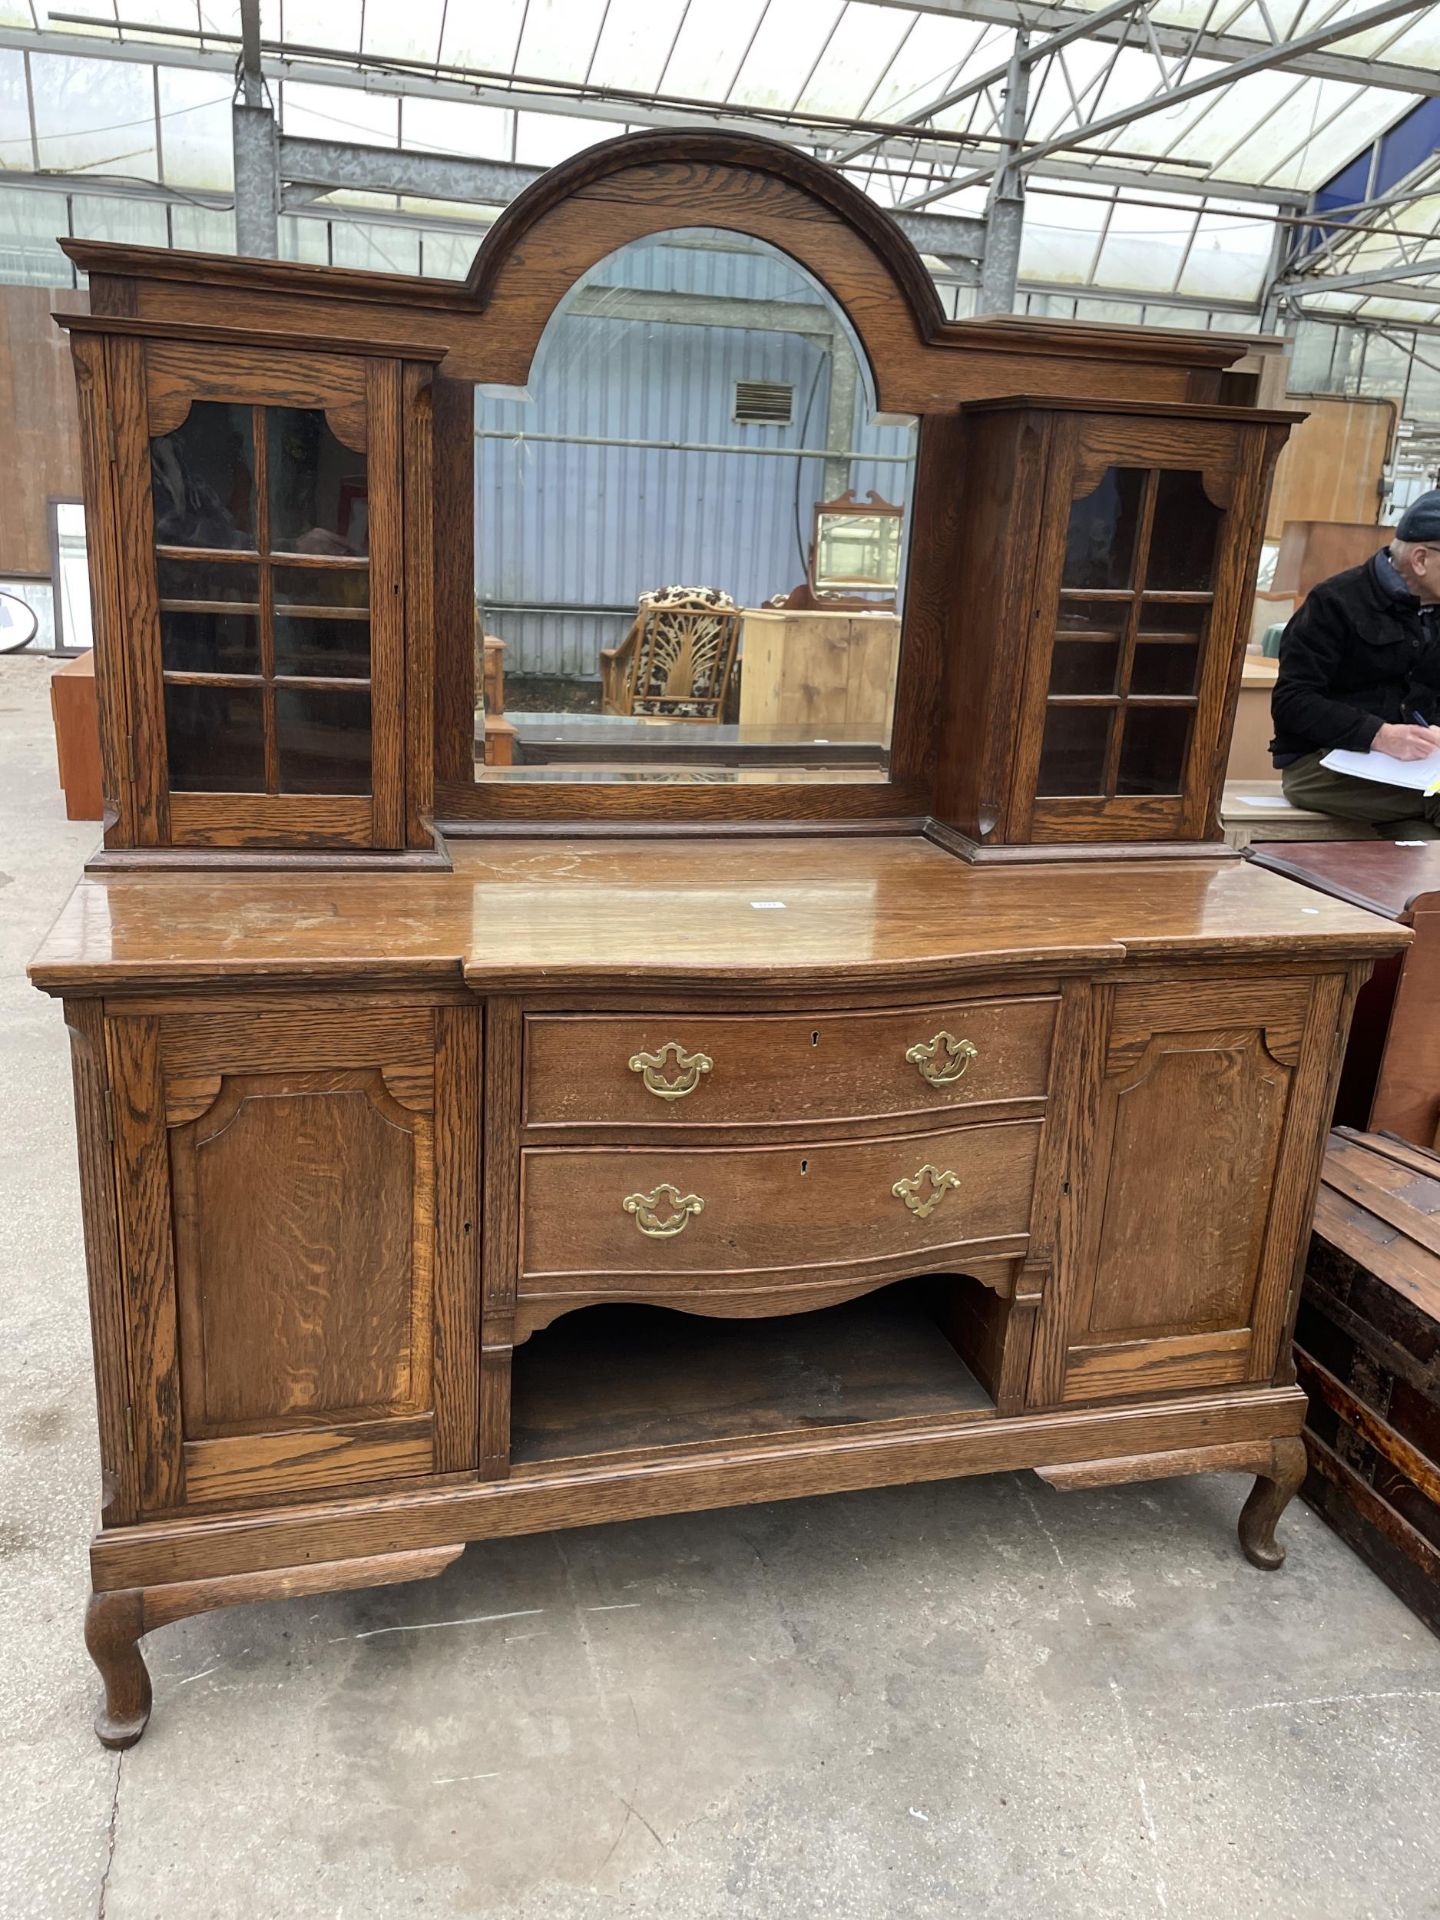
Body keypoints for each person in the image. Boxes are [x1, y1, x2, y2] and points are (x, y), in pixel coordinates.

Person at [1271, 489, 1440, 838]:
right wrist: (1379, 735)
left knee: (1424, 847)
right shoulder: (1335, 602)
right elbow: (1292, 701)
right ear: (1421, 559)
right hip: (1322, 765)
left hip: (1416, 772)